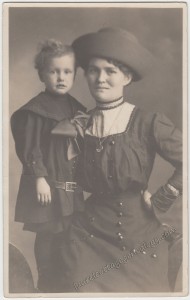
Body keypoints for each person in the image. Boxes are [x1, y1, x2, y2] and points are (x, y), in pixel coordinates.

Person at [51, 27, 182, 293]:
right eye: (93, 70)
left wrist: (163, 197)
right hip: (86, 233)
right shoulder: (76, 124)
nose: (100, 78)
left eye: (110, 71)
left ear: (127, 76)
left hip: (137, 233)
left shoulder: (148, 122)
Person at [11, 39, 86, 292]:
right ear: (42, 74)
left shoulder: (77, 108)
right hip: (49, 186)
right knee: (49, 237)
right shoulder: (36, 111)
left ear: (74, 74)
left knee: (70, 240)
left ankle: (67, 286)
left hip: (71, 188)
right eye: (54, 72)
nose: (61, 77)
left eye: (67, 72)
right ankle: (46, 284)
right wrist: (39, 178)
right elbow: (30, 148)